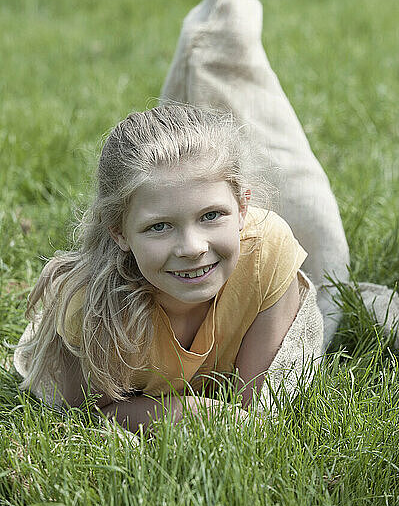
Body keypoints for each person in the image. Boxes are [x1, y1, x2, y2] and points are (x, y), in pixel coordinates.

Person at [13, 104, 324, 433]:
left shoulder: (268, 252)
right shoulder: (92, 306)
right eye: (159, 226)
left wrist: (231, 417)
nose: (192, 248)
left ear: (243, 206)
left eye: (211, 215)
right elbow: (85, 414)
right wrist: (185, 410)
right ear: (119, 232)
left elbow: (253, 417)